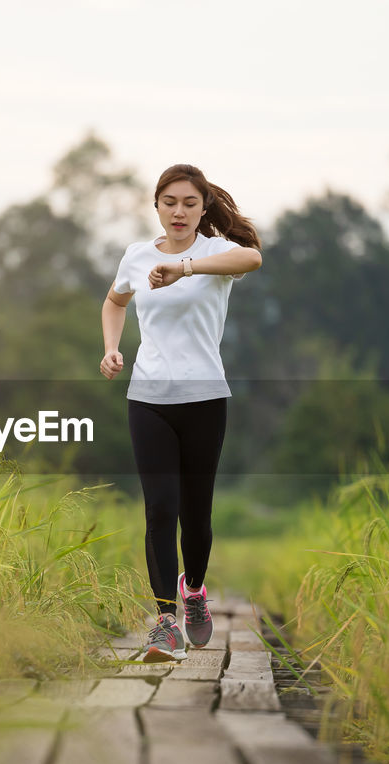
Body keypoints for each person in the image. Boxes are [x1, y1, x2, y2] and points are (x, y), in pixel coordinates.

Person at [99, 164, 262, 663]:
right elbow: (114, 301)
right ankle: (165, 622)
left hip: (206, 399)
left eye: (190, 203)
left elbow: (253, 257)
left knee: (195, 512)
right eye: (170, 201)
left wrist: (185, 268)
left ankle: (194, 589)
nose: (179, 211)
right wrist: (111, 347)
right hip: (148, 398)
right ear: (156, 205)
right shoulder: (136, 256)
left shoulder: (216, 253)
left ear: (204, 207)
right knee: (159, 508)